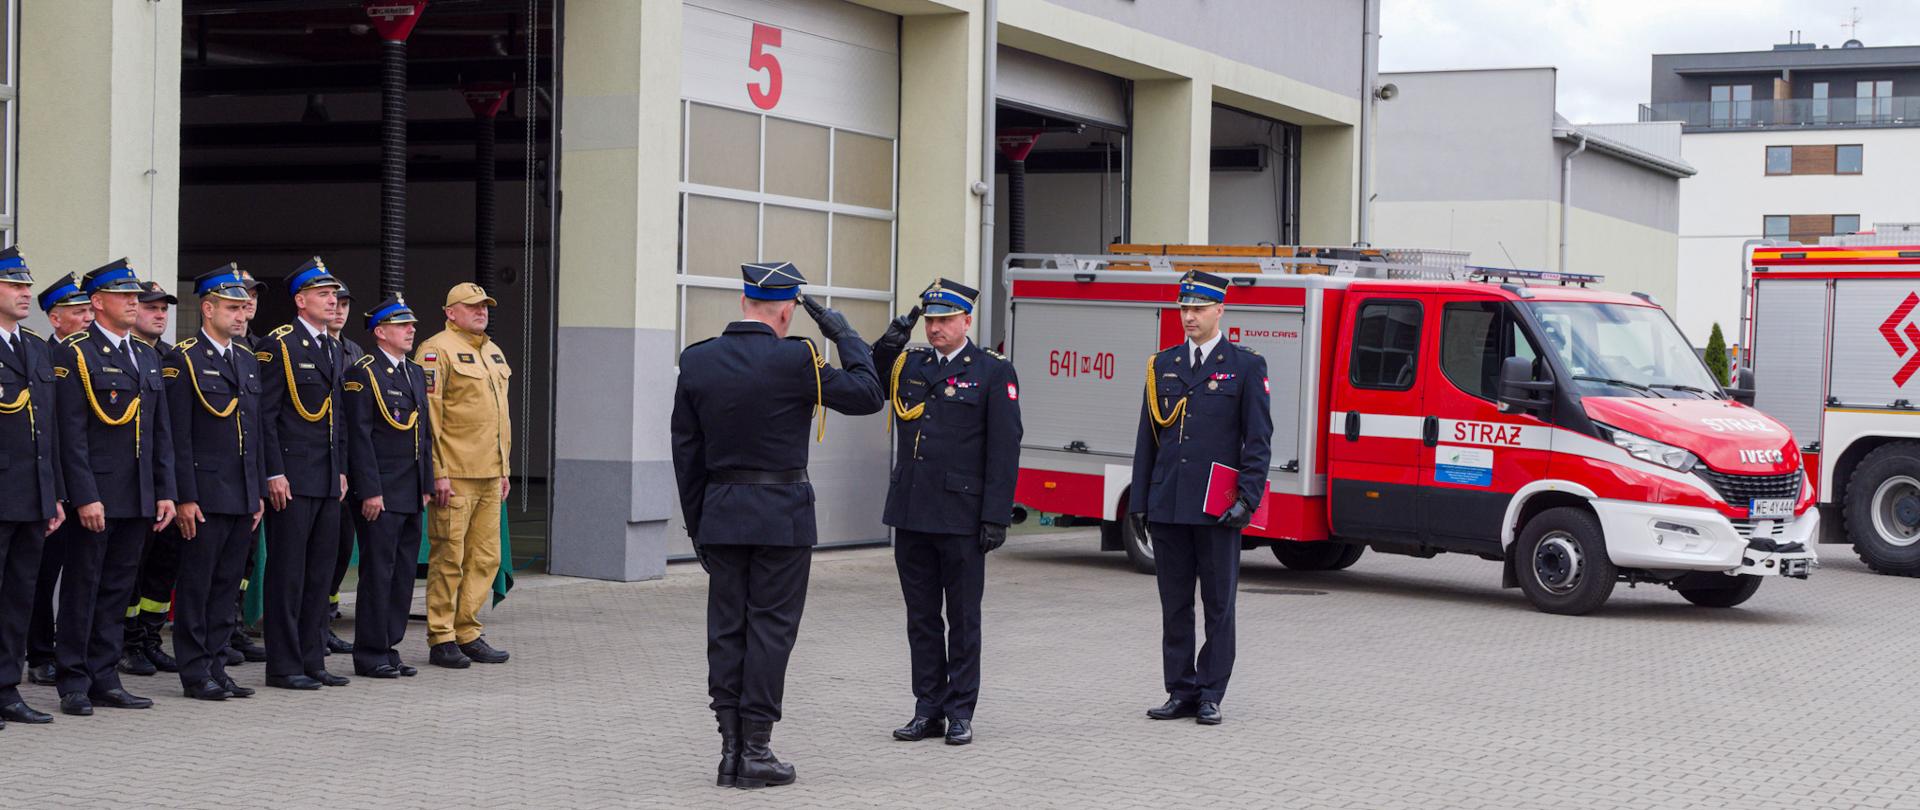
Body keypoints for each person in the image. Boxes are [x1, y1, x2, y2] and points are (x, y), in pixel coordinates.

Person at [671, 261, 884, 789]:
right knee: (771, 629)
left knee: (727, 629)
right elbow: (868, 394)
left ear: (744, 302)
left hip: (721, 513)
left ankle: (728, 752)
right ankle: (756, 751)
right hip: (782, 516)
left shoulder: (697, 360)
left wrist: (698, 525)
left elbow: (686, 452)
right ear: (788, 311)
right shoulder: (799, 359)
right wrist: (843, 332)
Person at [867, 279, 1021, 746]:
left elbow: (1004, 448)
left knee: (963, 618)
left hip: (961, 516)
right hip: (912, 511)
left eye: (945, 320)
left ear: (966, 321)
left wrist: (995, 516)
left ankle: (960, 711)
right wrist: (889, 342)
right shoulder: (911, 364)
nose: (935, 328)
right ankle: (927, 708)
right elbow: (871, 380)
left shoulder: (992, 371)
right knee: (921, 619)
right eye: (931, 320)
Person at [1129, 270, 1272, 727]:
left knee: (1218, 606)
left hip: (1218, 510)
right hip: (1169, 505)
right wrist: (1140, 501)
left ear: (1219, 310)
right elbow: (1148, 438)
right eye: (1184, 308)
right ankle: (1180, 690)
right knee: (1174, 605)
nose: (1189, 316)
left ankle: (1211, 692)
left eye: (1198, 308)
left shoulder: (1245, 366)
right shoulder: (1163, 365)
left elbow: (1258, 441)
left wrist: (1247, 499)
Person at [50, 259, 177, 716]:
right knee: (83, 587)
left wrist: (165, 490)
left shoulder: (145, 354)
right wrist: (84, 495)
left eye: (135, 296)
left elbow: (160, 431)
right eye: (124, 296)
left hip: (138, 492)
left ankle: (105, 675)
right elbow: (70, 432)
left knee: (118, 589)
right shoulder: (76, 352)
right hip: (98, 493)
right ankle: (73, 680)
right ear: (98, 302)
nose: (134, 303)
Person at [163, 266, 265, 701]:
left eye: (243, 308)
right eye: (231, 308)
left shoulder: (245, 359)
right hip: (204, 493)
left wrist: (257, 491)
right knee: (198, 585)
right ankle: (194, 671)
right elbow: (178, 436)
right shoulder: (183, 359)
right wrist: (185, 497)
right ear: (207, 309)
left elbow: (255, 432)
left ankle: (218, 664)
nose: (241, 316)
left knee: (227, 586)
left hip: (240, 492)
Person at [257, 257, 351, 691]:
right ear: (300, 301)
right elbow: (266, 416)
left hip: (326, 477)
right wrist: (273, 471)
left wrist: (341, 470)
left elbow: (337, 418)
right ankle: (283, 664)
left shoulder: (332, 347)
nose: (332, 301)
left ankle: (313, 658)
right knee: (288, 574)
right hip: (292, 477)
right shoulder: (280, 344)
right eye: (322, 294)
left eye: (334, 295)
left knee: (319, 574)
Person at [414, 282, 512, 669]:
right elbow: (431, 417)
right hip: (454, 475)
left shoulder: (492, 351)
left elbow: (500, 419)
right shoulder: (436, 350)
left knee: (485, 558)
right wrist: (437, 472)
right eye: (472, 306)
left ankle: (467, 630)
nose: (481, 311)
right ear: (450, 312)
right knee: (449, 558)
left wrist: (504, 470)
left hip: (490, 473)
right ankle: (441, 636)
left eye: (484, 306)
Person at [343, 297, 431, 679]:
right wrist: (369, 490)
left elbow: (424, 434)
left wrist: (426, 483)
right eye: (401, 325)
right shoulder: (363, 372)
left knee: (403, 574)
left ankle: (390, 646)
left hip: (410, 490)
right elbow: (359, 436)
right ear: (380, 332)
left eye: (411, 325)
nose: (411, 330)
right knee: (379, 574)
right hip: (381, 491)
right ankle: (369, 653)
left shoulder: (414, 373)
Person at [0, 247, 63, 727]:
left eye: (27, 285)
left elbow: (49, 428)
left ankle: (6, 689)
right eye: (15, 285)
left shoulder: (36, 347)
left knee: (18, 598)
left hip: (31, 494)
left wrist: (54, 492)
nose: (26, 293)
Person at [24, 274, 93, 687]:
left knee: (80, 575)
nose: (87, 318)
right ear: (55, 318)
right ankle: (40, 654)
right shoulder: (44, 355)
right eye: (78, 312)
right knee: (41, 574)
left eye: (89, 311)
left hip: (81, 486)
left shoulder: (90, 356)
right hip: (49, 485)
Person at [123, 280, 181, 677]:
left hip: (167, 478)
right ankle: (126, 641)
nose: (160, 314)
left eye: (163, 309)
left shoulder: (169, 357)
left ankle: (149, 637)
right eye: (151, 307)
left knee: (163, 564)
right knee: (132, 567)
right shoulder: (126, 354)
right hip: (133, 480)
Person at [323, 283, 361, 656]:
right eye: (334, 302)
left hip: (349, 463)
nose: (339, 309)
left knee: (340, 549)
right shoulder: (302, 348)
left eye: (345, 304)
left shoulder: (355, 352)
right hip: (320, 463)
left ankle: (328, 616)